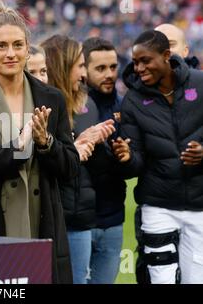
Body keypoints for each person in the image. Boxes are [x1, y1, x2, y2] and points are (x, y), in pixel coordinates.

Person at [0, 4, 80, 284]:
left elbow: (71, 168)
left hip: (42, 224)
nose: (10, 53)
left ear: (27, 48)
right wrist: (16, 149)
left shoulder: (52, 98)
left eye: (17, 45)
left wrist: (45, 143)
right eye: (1, 46)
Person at [115, 30, 203, 284]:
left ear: (167, 56)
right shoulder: (133, 100)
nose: (139, 68)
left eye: (146, 61)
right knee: (161, 279)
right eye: (135, 62)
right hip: (157, 205)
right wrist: (126, 157)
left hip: (199, 205)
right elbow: (137, 162)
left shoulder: (200, 84)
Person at [41, 35, 115, 284]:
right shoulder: (40, 106)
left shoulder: (87, 105)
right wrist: (76, 146)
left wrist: (101, 145)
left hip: (81, 216)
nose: (84, 74)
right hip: (48, 216)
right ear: (62, 66)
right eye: (80, 66)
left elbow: (91, 169)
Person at [82, 37, 126, 284]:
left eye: (113, 67)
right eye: (100, 68)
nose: (109, 74)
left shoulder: (125, 107)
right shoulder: (71, 107)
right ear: (83, 69)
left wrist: (127, 157)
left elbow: (133, 167)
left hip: (113, 220)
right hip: (79, 223)